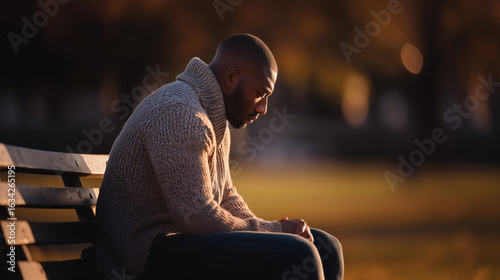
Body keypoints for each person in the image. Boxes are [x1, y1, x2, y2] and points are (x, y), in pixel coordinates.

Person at [94, 34, 344, 280]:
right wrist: (274, 231)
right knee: (296, 252)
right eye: (259, 93)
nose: (262, 108)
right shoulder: (180, 113)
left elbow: (225, 196)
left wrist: (270, 229)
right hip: (139, 257)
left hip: (175, 242)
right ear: (231, 77)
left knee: (326, 247)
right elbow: (196, 216)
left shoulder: (212, 116)